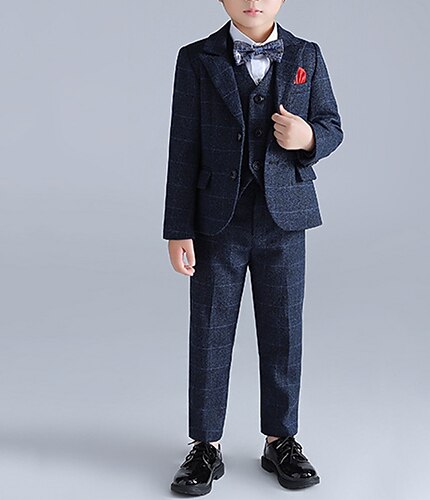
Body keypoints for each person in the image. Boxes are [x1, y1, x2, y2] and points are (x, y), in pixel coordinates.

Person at [164, 0, 343, 495]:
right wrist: (178, 227)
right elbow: (182, 146)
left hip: (283, 221)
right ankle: (205, 444)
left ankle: (281, 439)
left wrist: (307, 137)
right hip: (215, 222)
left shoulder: (307, 55)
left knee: (284, 330)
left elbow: (332, 125)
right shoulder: (196, 58)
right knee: (210, 330)